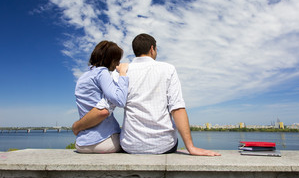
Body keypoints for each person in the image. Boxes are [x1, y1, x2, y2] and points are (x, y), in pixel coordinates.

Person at [73, 34, 221, 156]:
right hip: (164, 147)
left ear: (135, 51)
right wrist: (191, 147)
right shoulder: (168, 69)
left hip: (130, 146)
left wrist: (78, 126)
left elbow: (104, 109)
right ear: (152, 49)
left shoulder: (122, 72)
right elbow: (177, 108)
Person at [73, 40, 129, 153]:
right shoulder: (102, 72)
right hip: (104, 141)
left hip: (82, 143)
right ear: (111, 59)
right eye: (117, 60)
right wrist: (122, 74)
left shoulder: (83, 77)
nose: (118, 63)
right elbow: (119, 100)